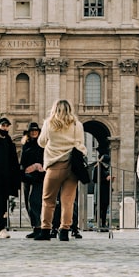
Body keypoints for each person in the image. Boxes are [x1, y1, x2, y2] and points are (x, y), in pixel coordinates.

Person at [33, 99, 87, 241]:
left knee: (48, 199)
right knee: (68, 201)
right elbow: (80, 143)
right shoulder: (77, 125)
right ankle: (64, 230)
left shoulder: (48, 123)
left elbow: (41, 142)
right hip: (72, 166)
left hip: (54, 164)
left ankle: (45, 230)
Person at [20, 122, 46, 239]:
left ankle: (40, 226)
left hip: (39, 178)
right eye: (32, 131)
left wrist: (36, 166)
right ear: (29, 133)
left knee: (34, 200)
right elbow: (22, 162)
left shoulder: (43, 145)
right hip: (27, 177)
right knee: (27, 202)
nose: (34, 132)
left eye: (36, 131)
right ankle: (35, 226)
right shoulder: (26, 145)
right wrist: (25, 169)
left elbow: (46, 160)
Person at [92, 154, 112, 230]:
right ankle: (98, 223)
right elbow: (94, 179)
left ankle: (103, 223)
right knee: (99, 206)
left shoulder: (106, 168)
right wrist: (105, 179)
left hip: (106, 189)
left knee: (105, 207)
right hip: (100, 189)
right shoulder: (97, 168)